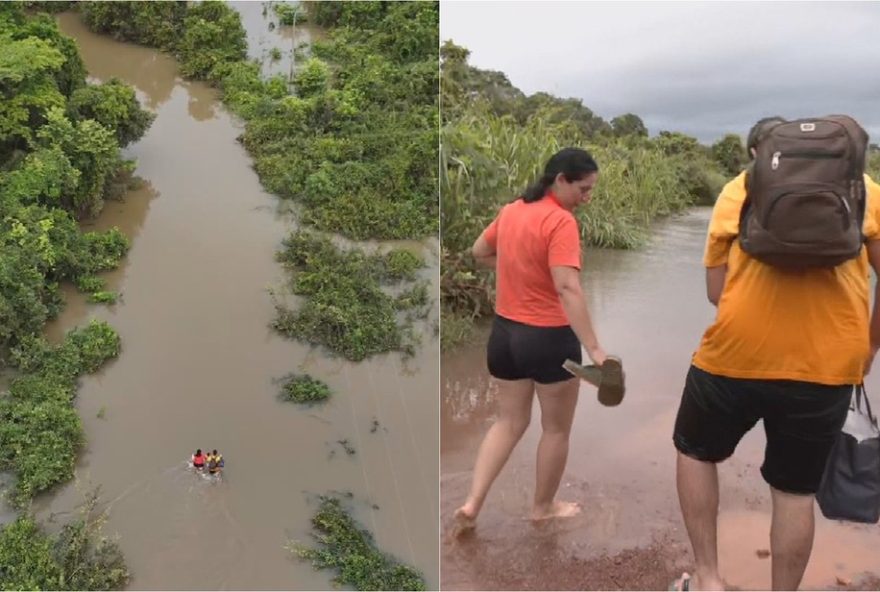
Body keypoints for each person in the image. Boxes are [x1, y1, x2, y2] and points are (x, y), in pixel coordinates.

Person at [670, 116, 880, 591]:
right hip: (827, 366)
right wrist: (868, 345)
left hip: (734, 356)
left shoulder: (738, 188)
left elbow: (714, 291)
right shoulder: (864, 189)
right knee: (794, 490)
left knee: (695, 452)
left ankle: (708, 579)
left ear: (761, 153)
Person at [453, 147, 620, 532]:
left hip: (504, 337)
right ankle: (543, 508)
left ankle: (472, 503)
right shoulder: (560, 222)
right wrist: (595, 349)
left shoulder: (512, 210)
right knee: (556, 429)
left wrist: (518, 268)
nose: (587, 198)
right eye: (583, 189)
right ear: (560, 180)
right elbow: (567, 287)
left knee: (508, 421)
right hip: (548, 340)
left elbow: (479, 251)